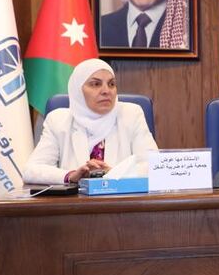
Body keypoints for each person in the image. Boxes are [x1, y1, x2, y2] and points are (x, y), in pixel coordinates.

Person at [22, 59, 158, 184]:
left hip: (122, 199)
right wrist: (71, 175)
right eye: (96, 84)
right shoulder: (58, 120)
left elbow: (156, 167)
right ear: (77, 90)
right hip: (75, 201)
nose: (106, 91)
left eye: (111, 84)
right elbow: (30, 171)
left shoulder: (131, 115)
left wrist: (114, 174)